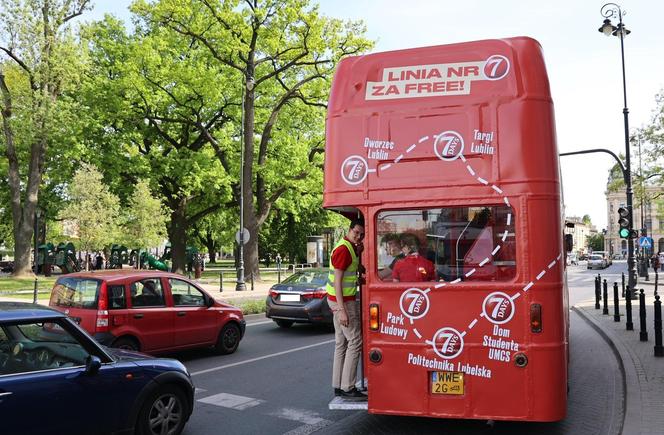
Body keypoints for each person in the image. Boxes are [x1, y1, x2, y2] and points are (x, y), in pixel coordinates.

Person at [326, 218, 366, 400]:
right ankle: (348, 387)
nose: (358, 236)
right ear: (349, 230)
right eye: (356, 232)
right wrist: (342, 310)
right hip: (343, 302)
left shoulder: (350, 247)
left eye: (361, 234)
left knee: (341, 343)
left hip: (336, 300)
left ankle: (338, 385)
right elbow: (337, 281)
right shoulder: (344, 250)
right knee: (356, 341)